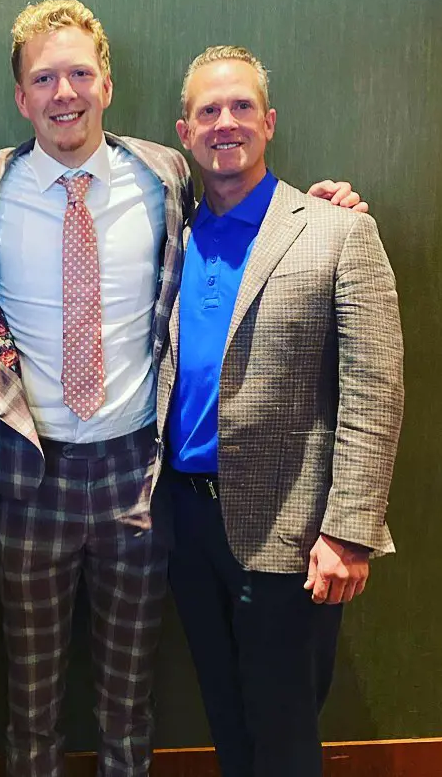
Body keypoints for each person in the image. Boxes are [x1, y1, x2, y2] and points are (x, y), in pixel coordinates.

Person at [0, 0, 366, 777]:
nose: (64, 92)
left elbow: (250, 206)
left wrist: (325, 209)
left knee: (127, 696)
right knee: (30, 697)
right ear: (20, 97)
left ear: (107, 83)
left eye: (79, 73)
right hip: (26, 470)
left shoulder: (163, 172)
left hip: (136, 478)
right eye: (44, 78)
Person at [163, 45, 404, 777]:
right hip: (187, 521)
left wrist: (350, 532)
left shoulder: (337, 231)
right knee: (228, 724)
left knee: (285, 735)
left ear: (269, 123)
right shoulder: (171, 238)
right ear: (185, 132)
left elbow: (376, 389)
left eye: (241, 107)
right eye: (209, 110)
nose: (225, 122)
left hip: (293, 531)